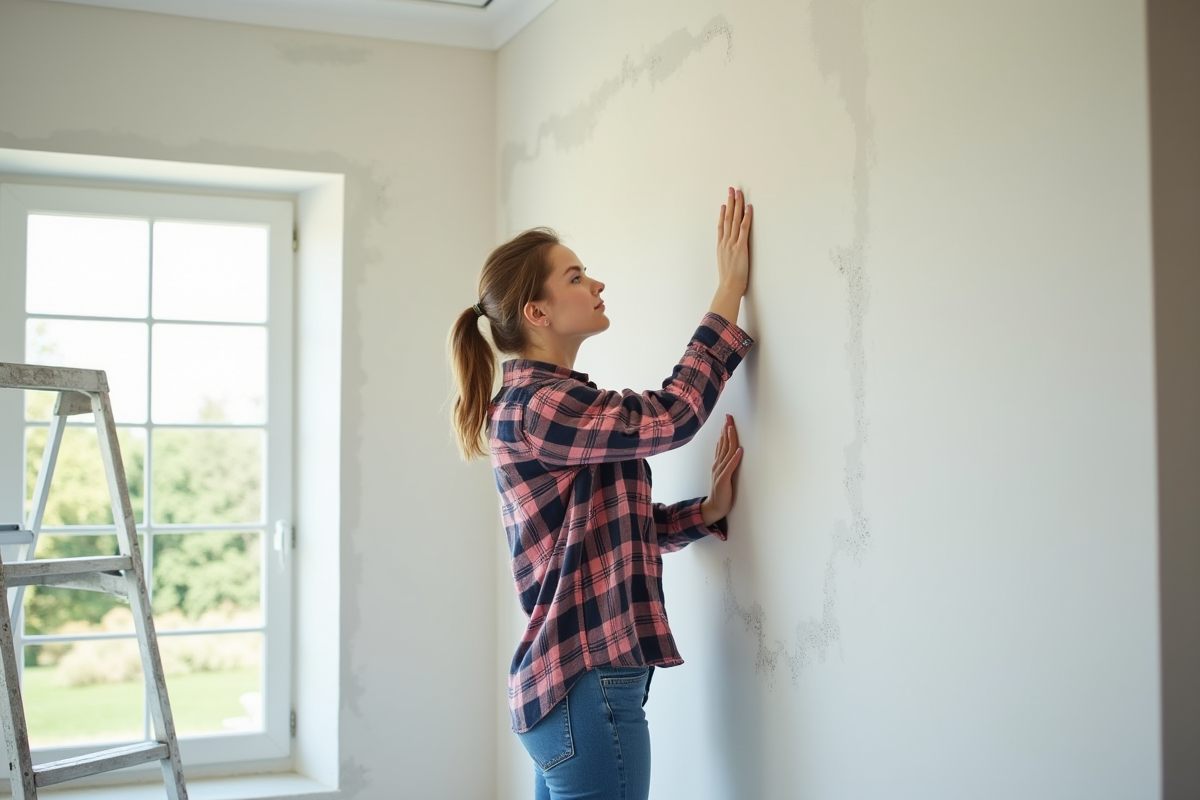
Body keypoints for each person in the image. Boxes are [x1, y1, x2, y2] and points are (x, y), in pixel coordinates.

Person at [449, 188, 755, 800]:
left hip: (571, 693)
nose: (596, 284)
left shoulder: (541, 404)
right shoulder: (543, 406)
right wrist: (729, 290)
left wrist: (705, 513)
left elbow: (605, 534)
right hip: (585, 689)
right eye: (575, 276)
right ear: (537, 312)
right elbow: (673, 415)